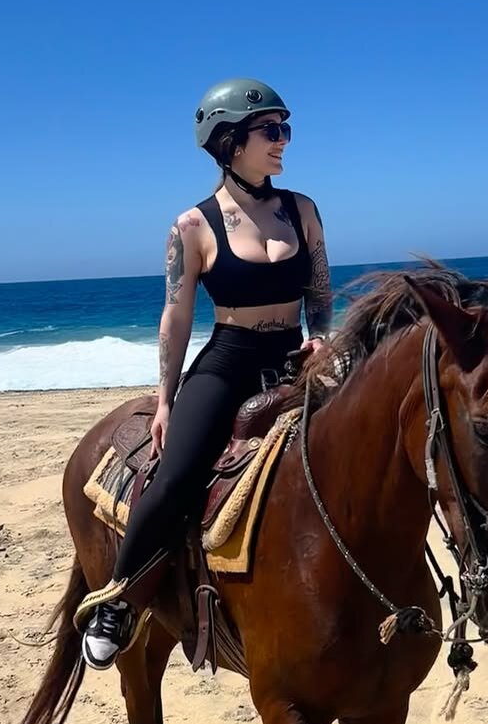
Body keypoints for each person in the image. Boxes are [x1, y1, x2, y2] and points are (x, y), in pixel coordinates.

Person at [81, 77, 334, 670]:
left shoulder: (303, 209)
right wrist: (166, 399)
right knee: (176, 476)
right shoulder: (192, 227)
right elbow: (175, 316)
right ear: (229, 141)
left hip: (295, 359)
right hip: (228, 362)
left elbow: (320, 290)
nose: (283, 140)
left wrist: (321, 336)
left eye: (285, 129)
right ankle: (117, 600)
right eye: (271, 130)